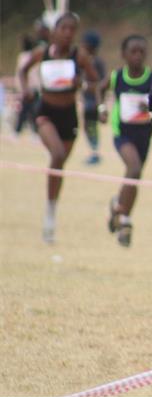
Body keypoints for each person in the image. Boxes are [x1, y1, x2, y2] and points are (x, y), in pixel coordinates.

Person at [18, 12, 101, 244]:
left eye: (72, 29)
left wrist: (81, 84)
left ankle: (51, 211)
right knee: (57, 154)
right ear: (55, 31)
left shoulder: (79, 56)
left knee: (59, 166)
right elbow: (23, 71)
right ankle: (49, 214)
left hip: (69, 117)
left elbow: (95, 82)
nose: (67, 33)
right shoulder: (41, 53)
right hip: (46, 112)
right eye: (63, 28)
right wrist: (25, 90)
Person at [102, 35, 152, 248]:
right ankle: (125, 221)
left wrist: (150, 108)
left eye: (142, 51)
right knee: (133, 168)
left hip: (144, 135)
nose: (138, 56)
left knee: (135, 176)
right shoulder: (117, 77)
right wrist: (102, 109)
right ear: (123, 54)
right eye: (133, 51)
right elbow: (99, 89)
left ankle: (118, 207)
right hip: (122, 134)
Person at [80, 30, 107, 165]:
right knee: (88, 126)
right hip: (87, 100)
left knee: (90, 126)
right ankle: (93, 151)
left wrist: (85, 86)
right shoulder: (84, 60)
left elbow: (101, 84)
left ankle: (94, 152)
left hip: (93, 101)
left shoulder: (96, 62)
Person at [14, 35, 41, 135]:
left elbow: (25, 73)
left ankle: (24, 130)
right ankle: (23, 130)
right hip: (30, 88)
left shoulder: (26, 56)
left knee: (30, 110)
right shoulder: (29, 56)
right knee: (28, 110)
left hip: (30, 88)